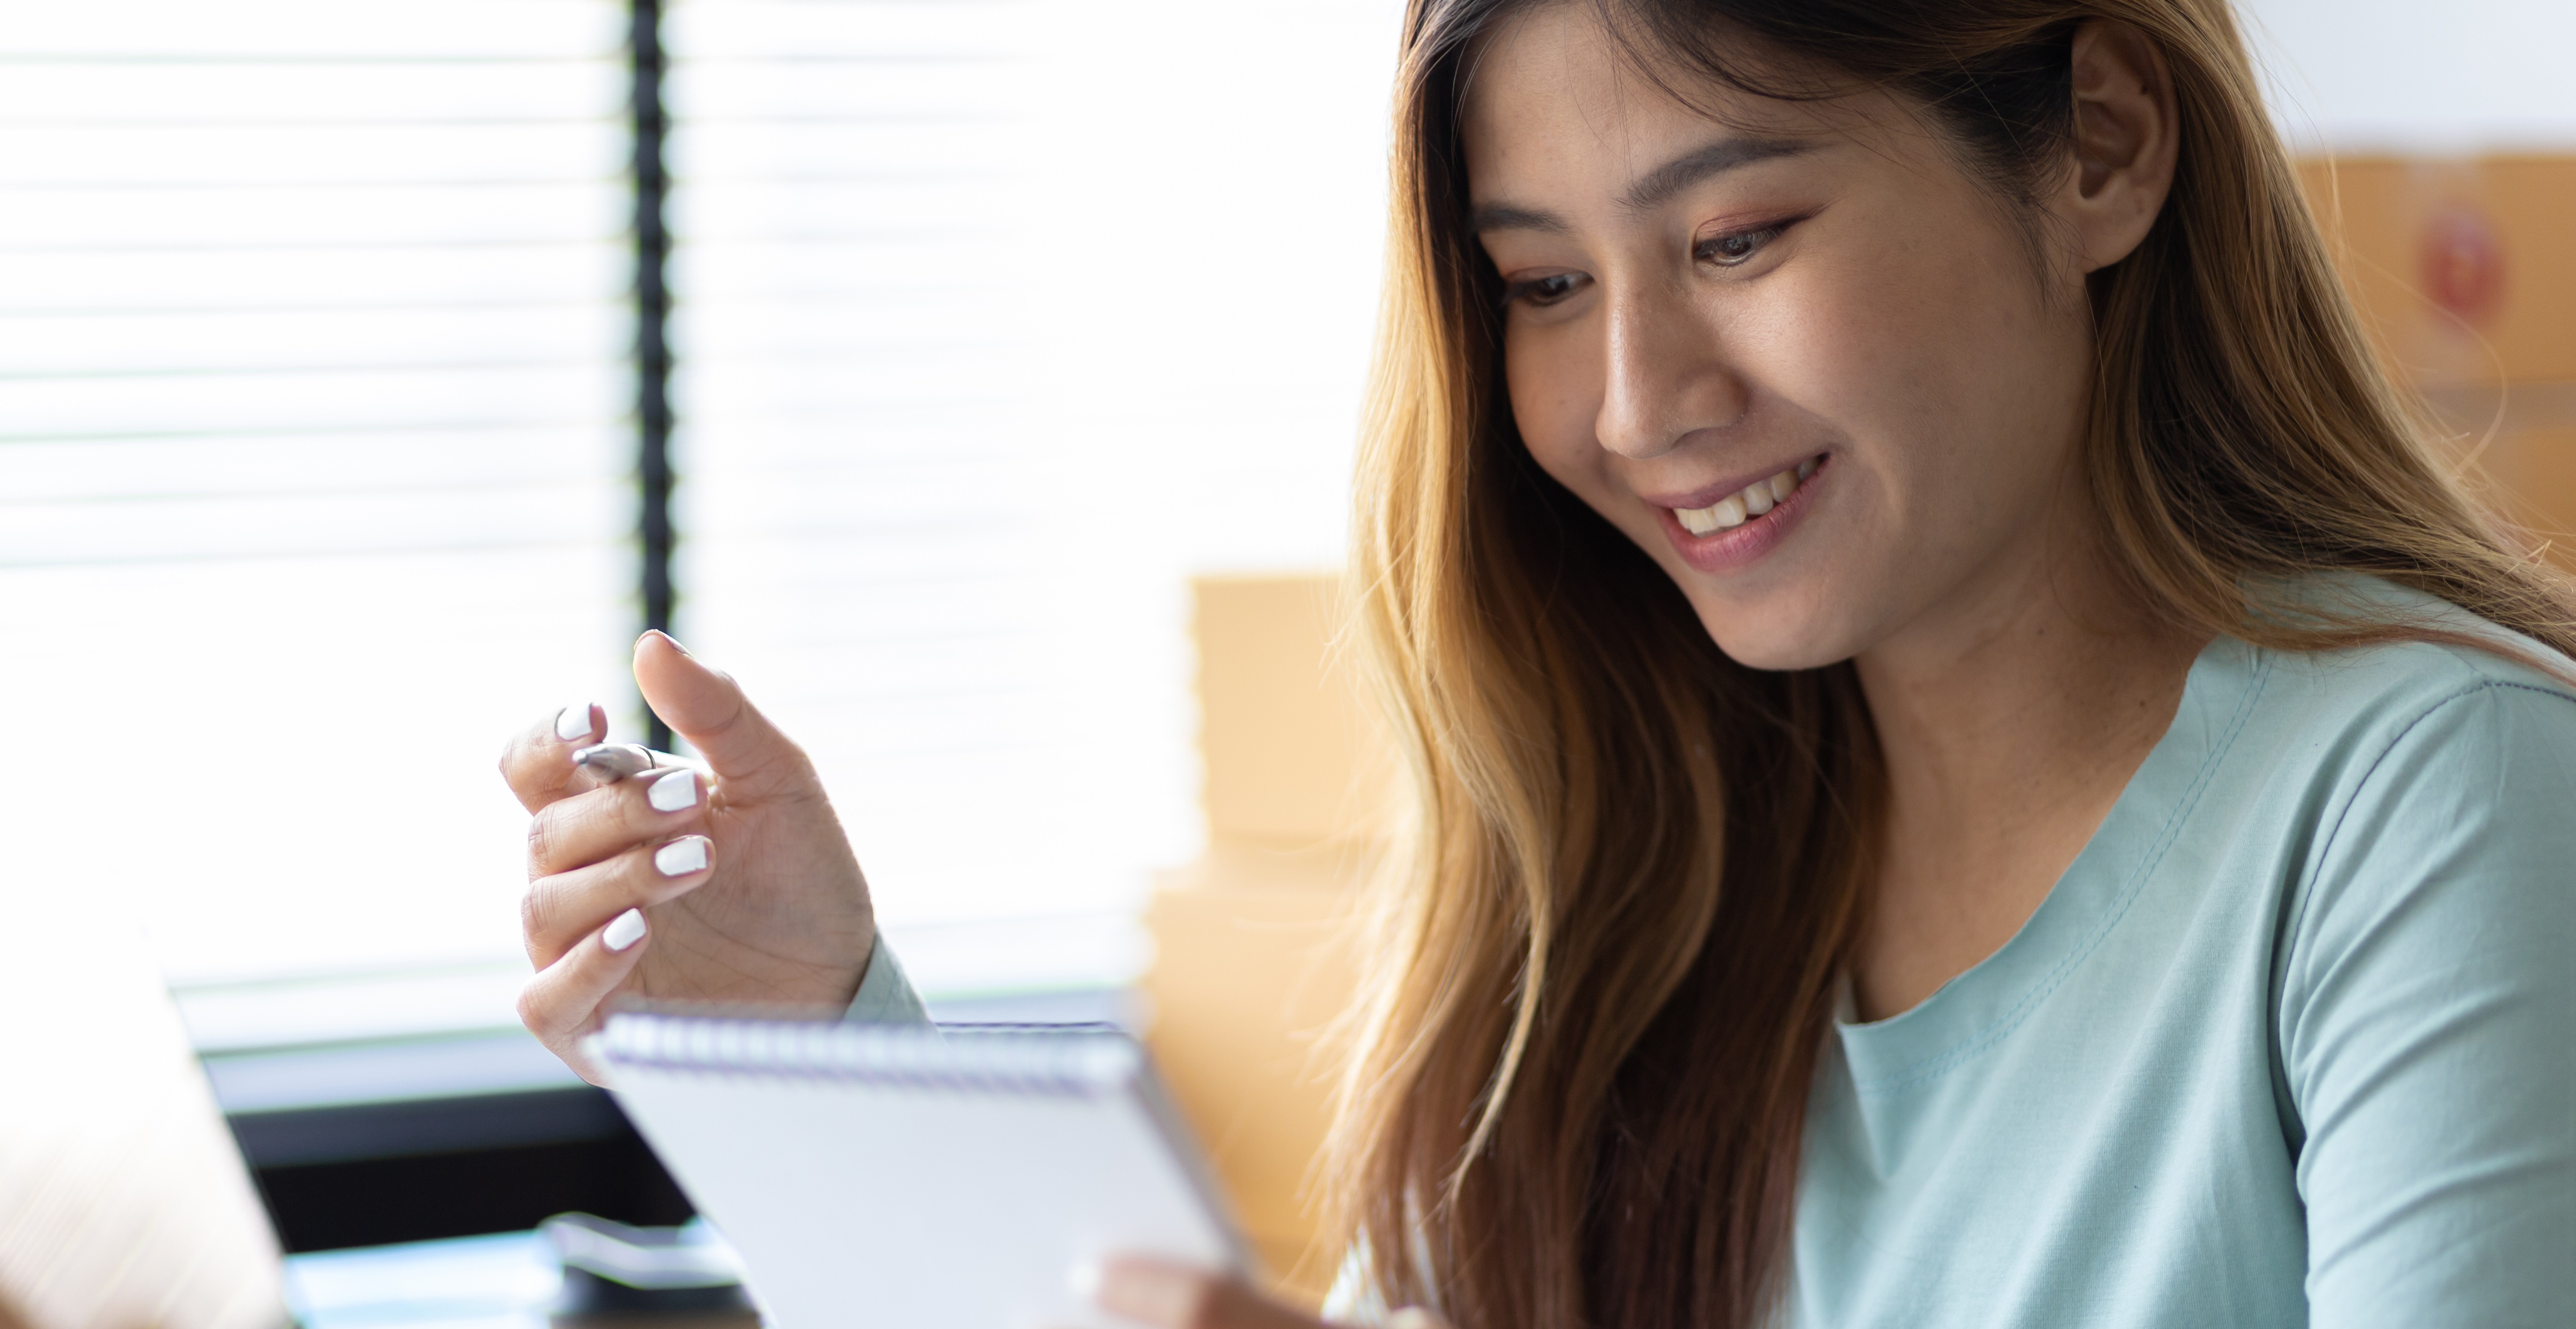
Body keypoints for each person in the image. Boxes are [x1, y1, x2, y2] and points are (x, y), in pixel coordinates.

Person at [498, 0, 2576, 1325]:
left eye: (1739, 237)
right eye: (1547, 285)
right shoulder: (1639, 873)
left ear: (2102, 142)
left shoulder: (2441, 797)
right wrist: (822, 1053)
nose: (1642, 399)